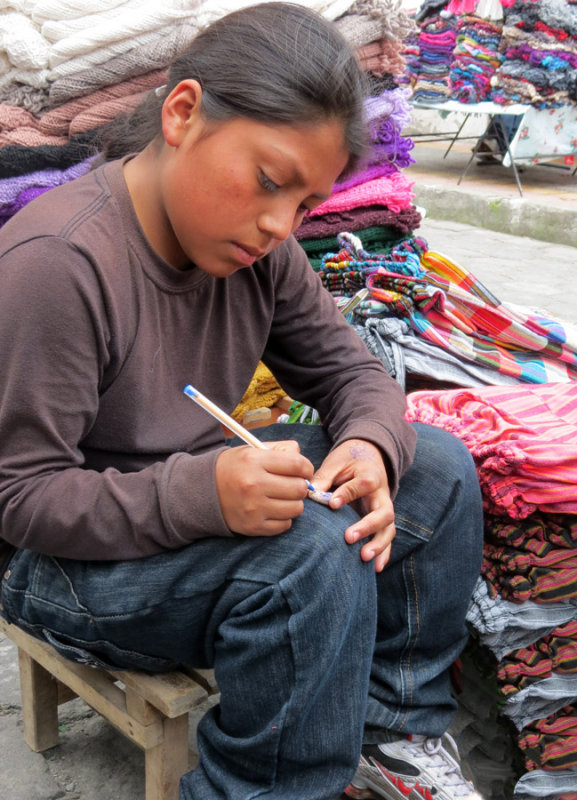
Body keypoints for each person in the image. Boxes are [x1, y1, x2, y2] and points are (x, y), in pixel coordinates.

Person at [0, 4, 485, 799]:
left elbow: (353, 376)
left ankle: (391, 732)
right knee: (311, 551)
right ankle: (262, 787)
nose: (277, 223)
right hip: (64, 568)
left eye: (302, 203)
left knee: (432, 466)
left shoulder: (259, 248)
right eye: (267, 181)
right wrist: (202, 493)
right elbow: (18, 497)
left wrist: (366, 444)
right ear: (183, 113)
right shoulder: (59, 263)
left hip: (186, 503)